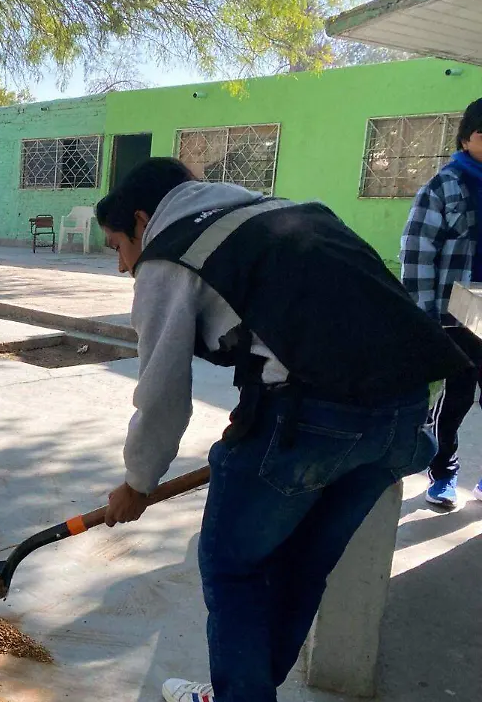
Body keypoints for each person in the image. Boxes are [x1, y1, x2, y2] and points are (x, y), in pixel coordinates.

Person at [96, 158, 468, 702]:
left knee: (232, 569)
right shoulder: (287, 210)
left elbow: (162, 393)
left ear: (141, 219)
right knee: (301, 568)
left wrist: (137, 483)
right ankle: (242, 691)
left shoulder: (170, 251)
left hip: (307, 423)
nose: (123, 266)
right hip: (404, 416)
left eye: (118, 248)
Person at [400, 99, 482, 508]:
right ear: (467, 138)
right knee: (455, 400)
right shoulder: (445, 185)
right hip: (456, 319)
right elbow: (417, 253)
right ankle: (443, 474)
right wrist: (425, 318)